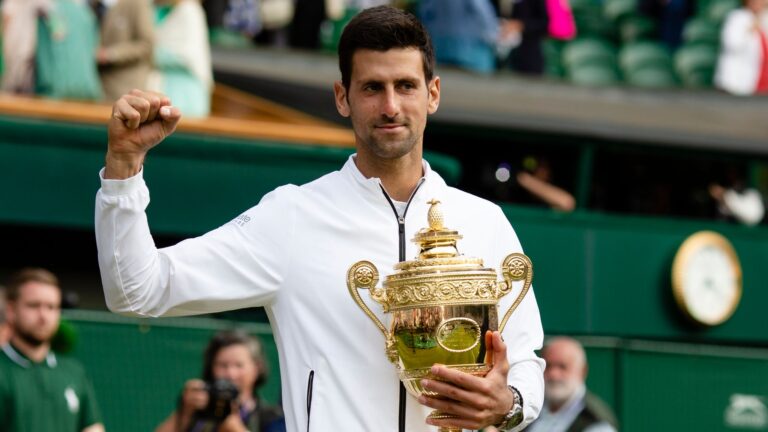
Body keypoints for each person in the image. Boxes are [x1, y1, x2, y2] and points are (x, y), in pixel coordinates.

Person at [96, 6, 544, 431]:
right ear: (342, 98)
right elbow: (138, 290)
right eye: (372, 88)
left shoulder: (484, 221)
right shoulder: (292, 216)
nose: (390, 106)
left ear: (433, 94)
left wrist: (509, 404)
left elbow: (525, 360)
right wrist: (123, 168)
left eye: (406, 86)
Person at [0, 268, 105, 432]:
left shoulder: (74, 372)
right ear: (11, 310)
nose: (43, 316)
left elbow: (93, 427)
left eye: (51, 307)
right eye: (34, 305)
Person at [155, 330, 285, 432]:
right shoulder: (199, 409)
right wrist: (185, 411)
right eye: (222, 365)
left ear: (257, 368)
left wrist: (235, 429)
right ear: (211, 367)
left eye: (239, 365)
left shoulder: (271, 417)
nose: (230, 374)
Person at [525, 337, 617, 432]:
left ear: (582, 371)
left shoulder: (596, 421)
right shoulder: (529, 406)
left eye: (563, 367)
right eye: (548, 366)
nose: (553, 375)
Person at [148, 0, 212, 117]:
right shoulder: (159, 10)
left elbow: (189, 54)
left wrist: (151, 54)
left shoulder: (190, 10)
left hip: (186, 90)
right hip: (164, 85)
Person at [97, 0, 155, 102]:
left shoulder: (137, 3)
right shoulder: (95, 5)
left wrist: (110, 54)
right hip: (100, 88)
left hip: (125, 88)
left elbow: (146, 44)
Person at [715, 0, 768, 95]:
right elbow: (732, 45)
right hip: (737, 82)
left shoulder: (764, 18)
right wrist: (750, 29)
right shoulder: (737, 18)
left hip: (762, 81)